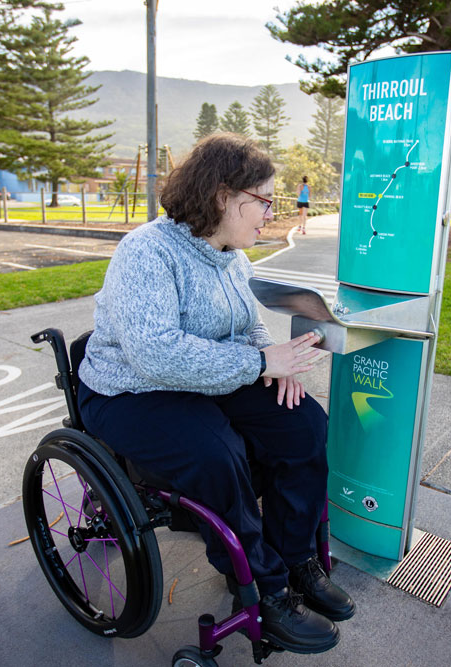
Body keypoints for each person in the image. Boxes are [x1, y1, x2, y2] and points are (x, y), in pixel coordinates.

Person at [77, 134, 354, 655]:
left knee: (304, 425)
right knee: (217, 454)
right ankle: (264, 591)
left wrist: (276, 363)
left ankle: (296, 560)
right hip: (130, 390)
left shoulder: (231, 255)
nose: (270, 214)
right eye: (264, 200)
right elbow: (153, 355)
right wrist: (258, 363)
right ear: (224, 196)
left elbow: (247, 325)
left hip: (208, 378)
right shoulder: (146, 251)